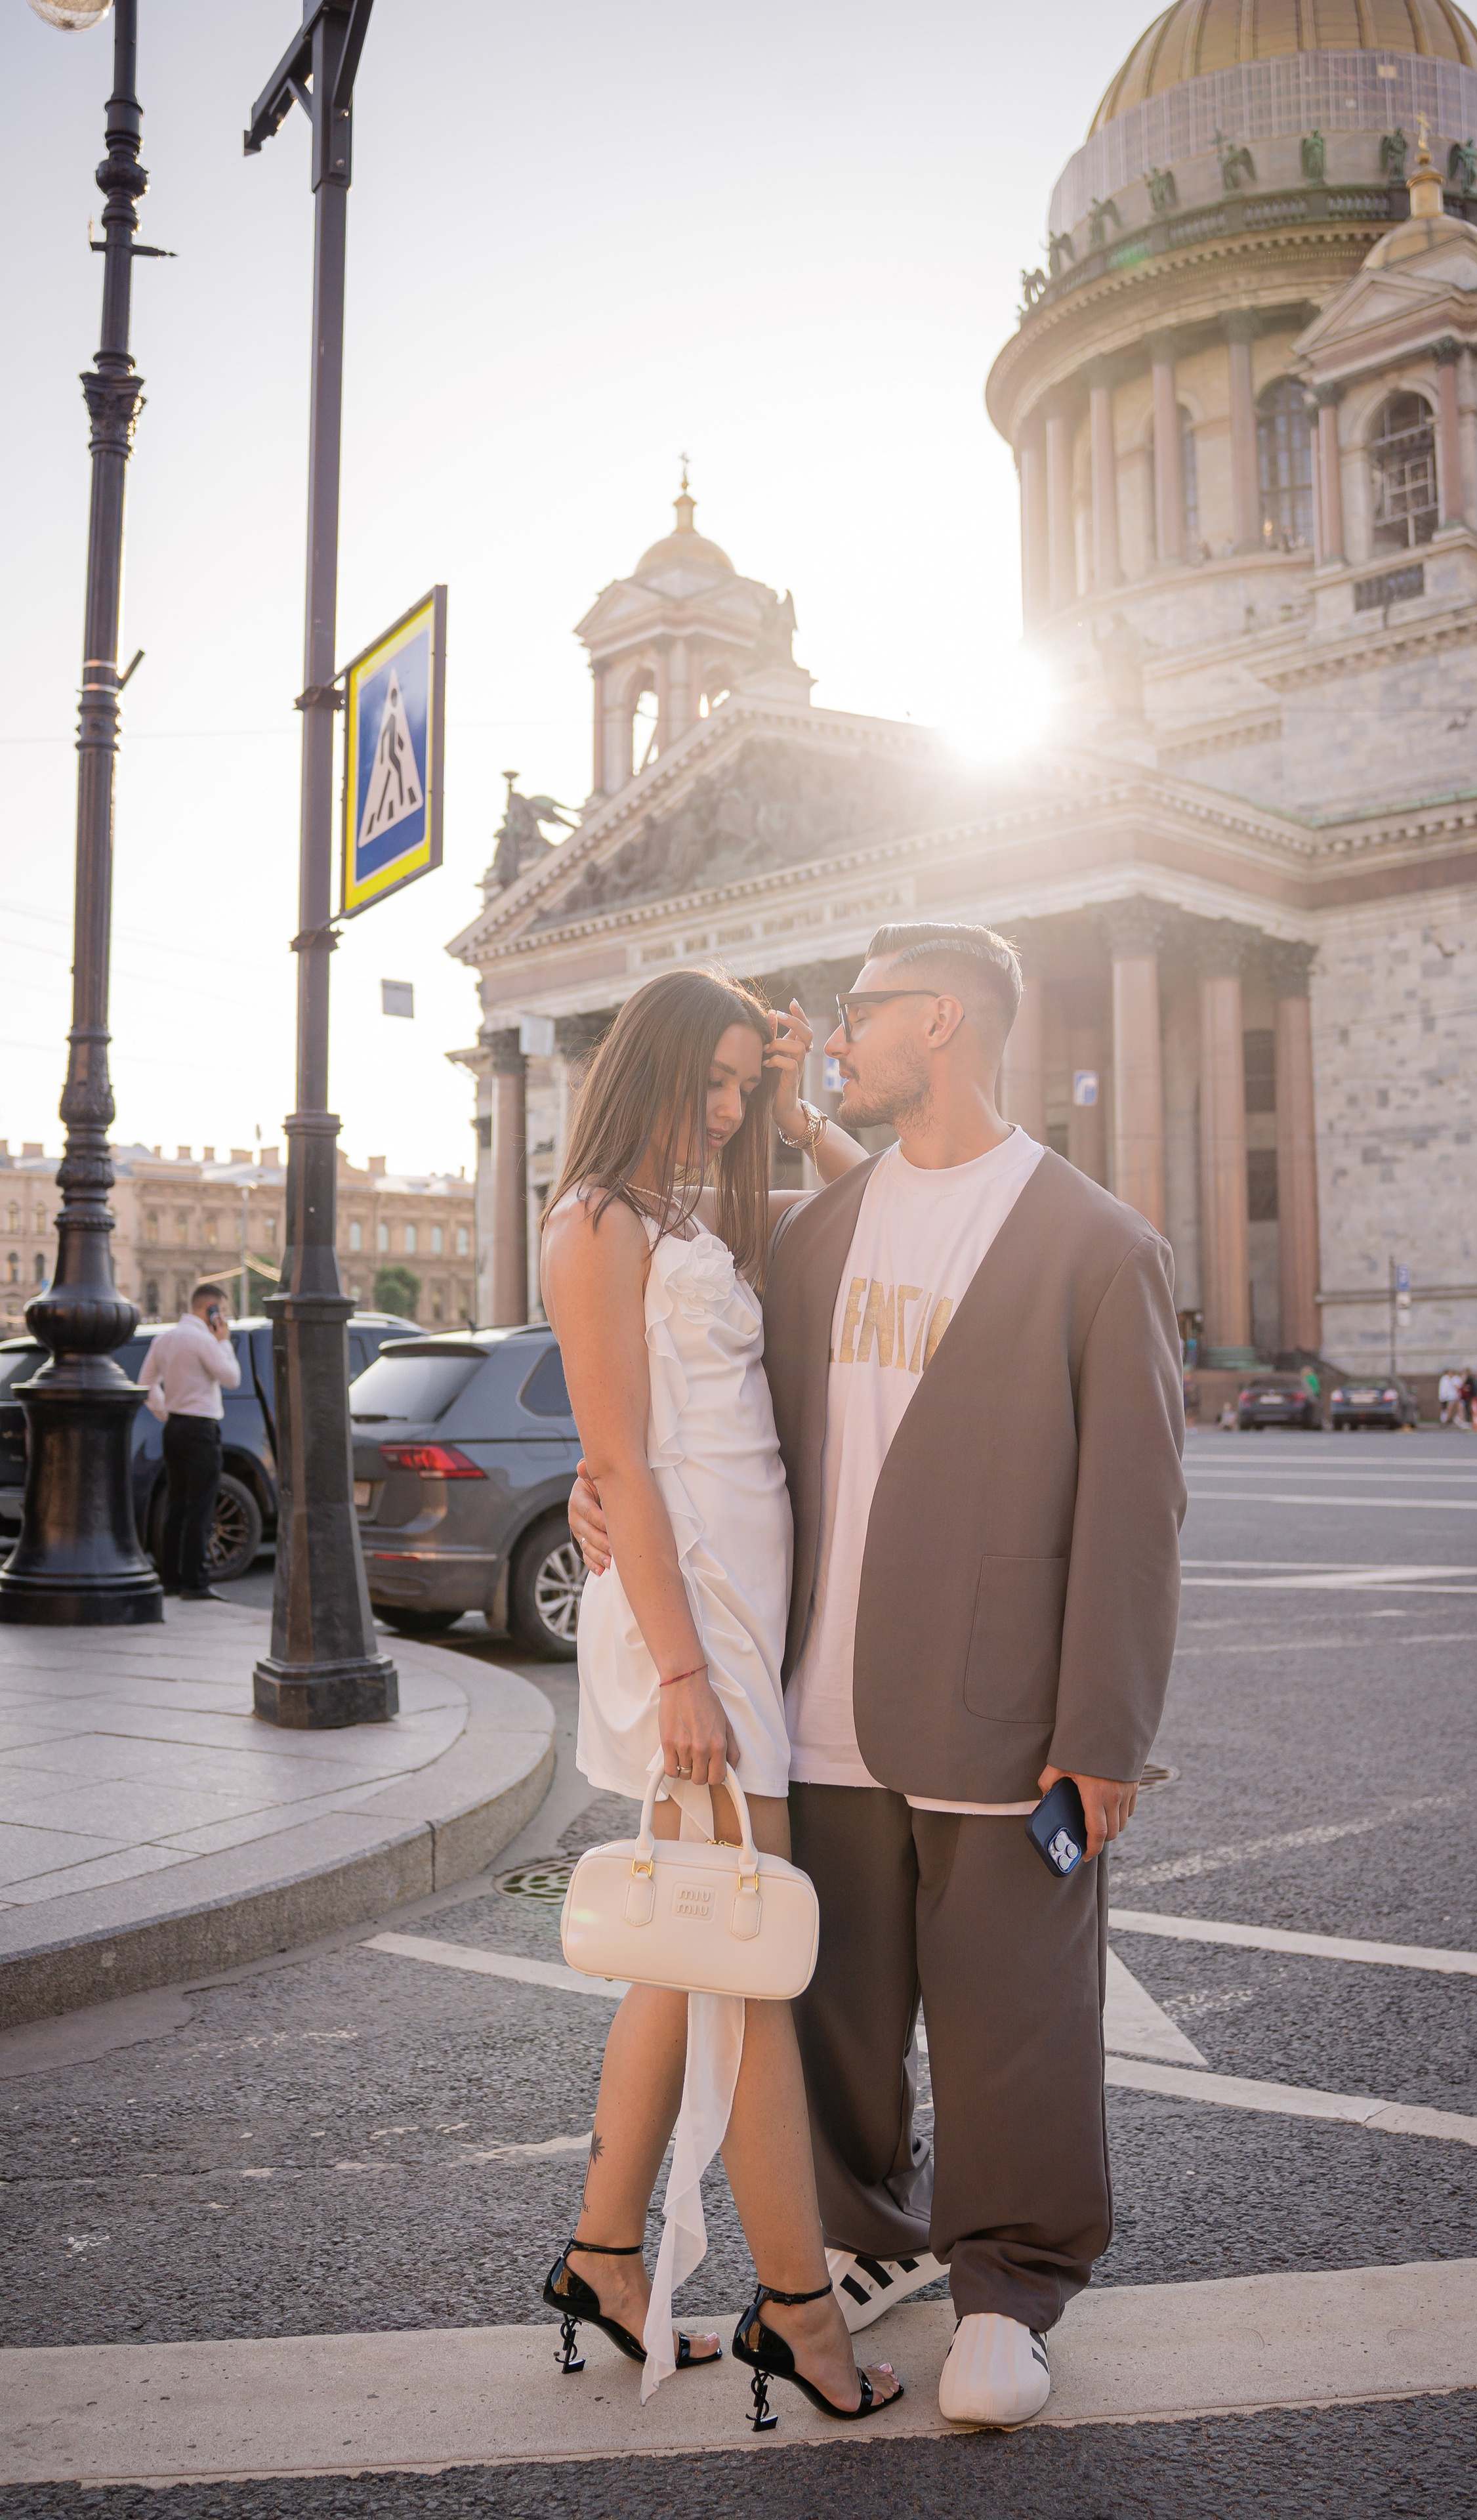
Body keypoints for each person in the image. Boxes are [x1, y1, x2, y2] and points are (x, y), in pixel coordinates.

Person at [573, 921, 1186, 2428]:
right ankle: (857, 2242)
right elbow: (681, 1379)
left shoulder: (1095, 1242)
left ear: (944, 1022)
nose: (826, 1038)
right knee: (828, 2007)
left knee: (1012, 2020)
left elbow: (1132, 1511)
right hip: (804, 1698)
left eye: (856, 1015)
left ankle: (1011, 2287)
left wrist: (1102, 1736)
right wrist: (605, 1493)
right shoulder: (806, 1233)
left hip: (997, 1716)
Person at [536, 968, 901, 2428]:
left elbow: (874, 1204)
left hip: (739, 1607)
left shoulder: (688, 1212)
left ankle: (604, 2259)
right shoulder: (593, 1222)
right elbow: (620, 1455)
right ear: (657, 1068)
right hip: (691, 1619)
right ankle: (798, 2310)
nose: (736, 1108)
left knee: (692, 1952)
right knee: (746, 1952)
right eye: (722, 1081)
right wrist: (681, 1669)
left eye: (754, 1083)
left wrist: (805, 1107)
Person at [138, 1280, 241, 1599]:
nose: (222, 1318)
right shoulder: (204, 1340)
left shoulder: (164, 1338)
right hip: (201, 1430)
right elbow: (232, 1379)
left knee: (177, 1505)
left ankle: (171, 1580)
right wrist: (224, 1342)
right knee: (200, 1506)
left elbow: (145, 1384)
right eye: (220, 1311)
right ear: (209, 1309)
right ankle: (195, 1582)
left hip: (175, 1429)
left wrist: (164, 1412)